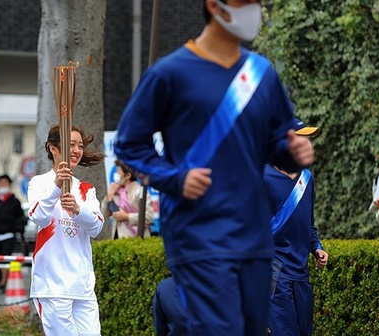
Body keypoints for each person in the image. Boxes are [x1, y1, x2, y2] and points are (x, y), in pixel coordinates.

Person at [114, 1, 315, 334]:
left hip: (253, 237)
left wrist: (295, 153)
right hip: (197, 233)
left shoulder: (261, 75)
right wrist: (173, 177)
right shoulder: (170, 73)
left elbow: (277, 146)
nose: (254, 10)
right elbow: (129, 144)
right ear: (215, 6)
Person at [27, 124, 105, 336]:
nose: (77, 151)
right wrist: (56, 187)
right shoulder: (39, 184)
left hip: (83, 286)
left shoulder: (86, 190)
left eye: (80, 146)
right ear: (53, 148)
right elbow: (38, 217)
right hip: (52, 286)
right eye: (71, 145)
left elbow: (97, 227)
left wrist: (78, 210)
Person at [263, 118, 328, 336]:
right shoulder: (264, 178)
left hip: (300, 271)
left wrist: (316, 247)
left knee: (304, 332)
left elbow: (308, 223)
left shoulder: (306, 179)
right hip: (273, 270)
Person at [101, 160, 154, 239]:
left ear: (127, 175)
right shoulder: (116, 191)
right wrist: (110, 195)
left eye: (118, 171)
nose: (116, 174)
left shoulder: (139, 192)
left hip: (136, 239)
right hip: (118, 239)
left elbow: (149, 217)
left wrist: (127, 216)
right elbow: (105, 213)